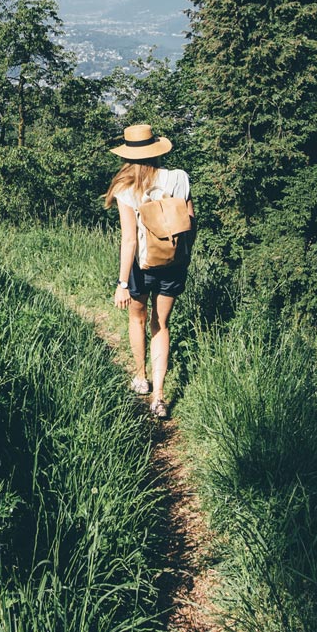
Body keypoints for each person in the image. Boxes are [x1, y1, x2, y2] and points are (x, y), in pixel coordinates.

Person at [104, 123, 191, 419]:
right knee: (161, 325)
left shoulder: (124, 188)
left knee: (137, 319)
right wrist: (183, 256)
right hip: (173, 263)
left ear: (128, 155)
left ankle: (141, 378)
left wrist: (121, 283)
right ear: (155, 150)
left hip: (141, 266)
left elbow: (129, 239)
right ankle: (159, 396)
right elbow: (190, 222)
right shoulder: (179, 178)